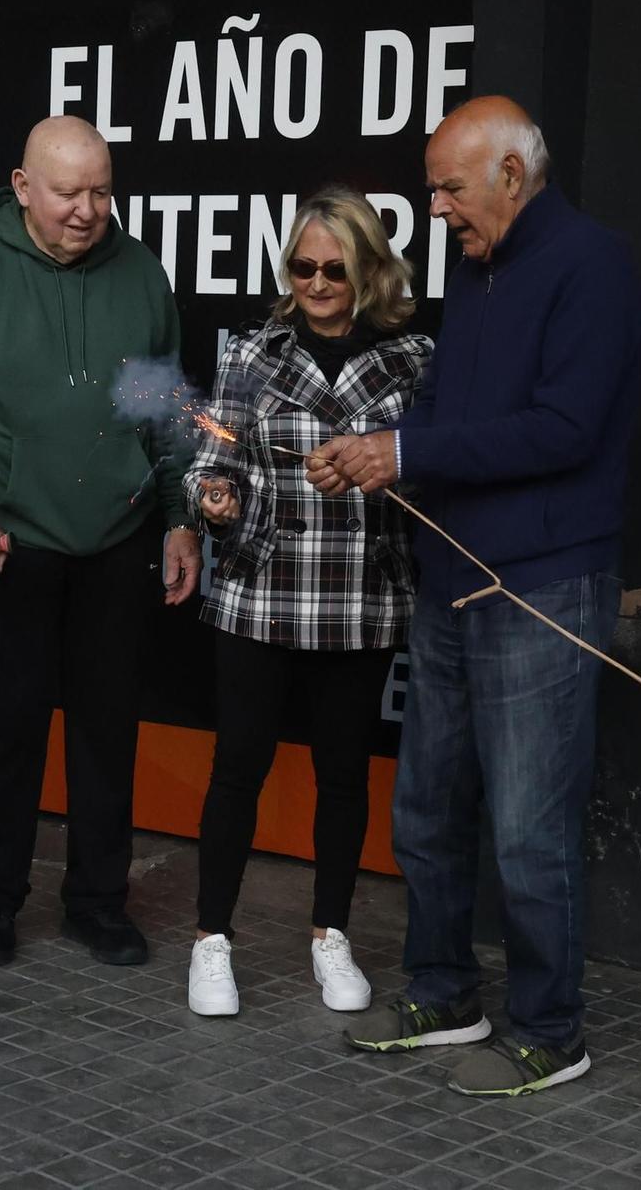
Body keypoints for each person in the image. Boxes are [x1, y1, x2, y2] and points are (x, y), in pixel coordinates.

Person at [310, 97, 641, 1095]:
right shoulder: (477, 265)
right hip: (451, 580)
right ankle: (443, 995)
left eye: (448, 187)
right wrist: (382, 456)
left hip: (540, 586)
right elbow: (452, 412)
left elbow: (564, 429)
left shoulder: (590, 264)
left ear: (509, 175)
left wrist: (402, 451)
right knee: (425, 809)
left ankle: (549, 1030)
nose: (435, 207)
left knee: (526, 829)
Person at [0, 114, 200, 969]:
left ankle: (98, 902)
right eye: (69, 192)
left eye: (102, 190)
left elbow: (165, 412)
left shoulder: (138, 271)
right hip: (9, 541)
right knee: (8, 730)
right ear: (24, 188)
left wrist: (180, 515)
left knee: (108, 731)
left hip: (118, 537)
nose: (88, 210)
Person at [181, 188, 432, 1017]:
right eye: (303, 265)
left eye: (335, 267)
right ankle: (211, 939)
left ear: (366, 268)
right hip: (261, 588)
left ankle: (332, 933)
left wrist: (380, 467)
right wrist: (214, 496)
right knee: (238, 768)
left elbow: (431, 470)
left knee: (343, 775)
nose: (318, 281)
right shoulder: (251, 353)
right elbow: (209, 455)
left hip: (360, 592)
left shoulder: (411, 359)